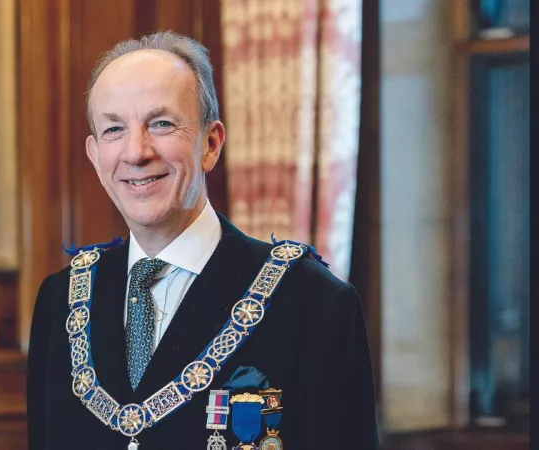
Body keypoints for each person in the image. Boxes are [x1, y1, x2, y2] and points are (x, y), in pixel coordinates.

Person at [27, 31, 378, 449]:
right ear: (95, 156)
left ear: (210, 144)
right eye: (114, 129)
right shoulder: (60, 302)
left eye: (161, 124)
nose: (136, 152)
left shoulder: (313, 303)